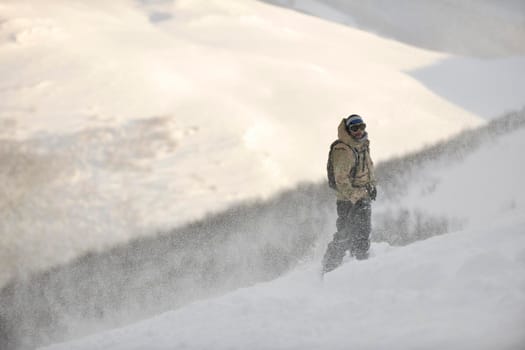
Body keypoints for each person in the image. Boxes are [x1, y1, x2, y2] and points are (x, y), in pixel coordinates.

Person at [322, 114, 377, 273]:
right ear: (348, 130)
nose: (359, 131)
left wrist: (372, 185)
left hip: (362, 196)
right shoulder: (343, 149)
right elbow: (341, 179)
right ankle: (328, 268)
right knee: (345, 234)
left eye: (362, 127)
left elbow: (368, 166)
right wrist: (355, 197)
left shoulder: (362, 145)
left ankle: (360, 266)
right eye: (354, 128)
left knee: (363, 233)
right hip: (347, 200)